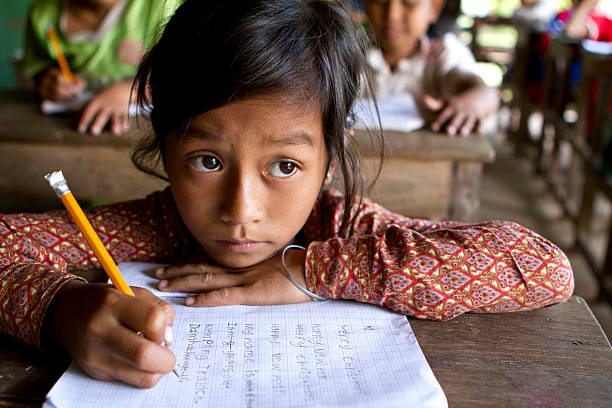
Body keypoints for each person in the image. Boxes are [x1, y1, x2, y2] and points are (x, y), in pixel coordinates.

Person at [0, 0, 574, 389]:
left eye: (284, 164)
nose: (240, 211)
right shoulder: (157, 226)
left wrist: (309, 270)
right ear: (166, 145)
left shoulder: (342, 227)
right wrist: (58, 309)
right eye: (206, 160)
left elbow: (542, 266)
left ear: (330, 156)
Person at [21, 0, 180, 135]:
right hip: (73, 129)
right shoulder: (43, 15)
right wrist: (49, 80)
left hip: (154, 131)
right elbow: (40, 68)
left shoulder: (163, 5)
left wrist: (132, 91)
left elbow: (187, 69)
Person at [362, 0, 500, 136]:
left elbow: (487, 94)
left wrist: (472, 104)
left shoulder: (444, 53)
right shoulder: (348, 53)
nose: (392, 15)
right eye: (379, 1)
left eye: (409, 3)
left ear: (434, 7)